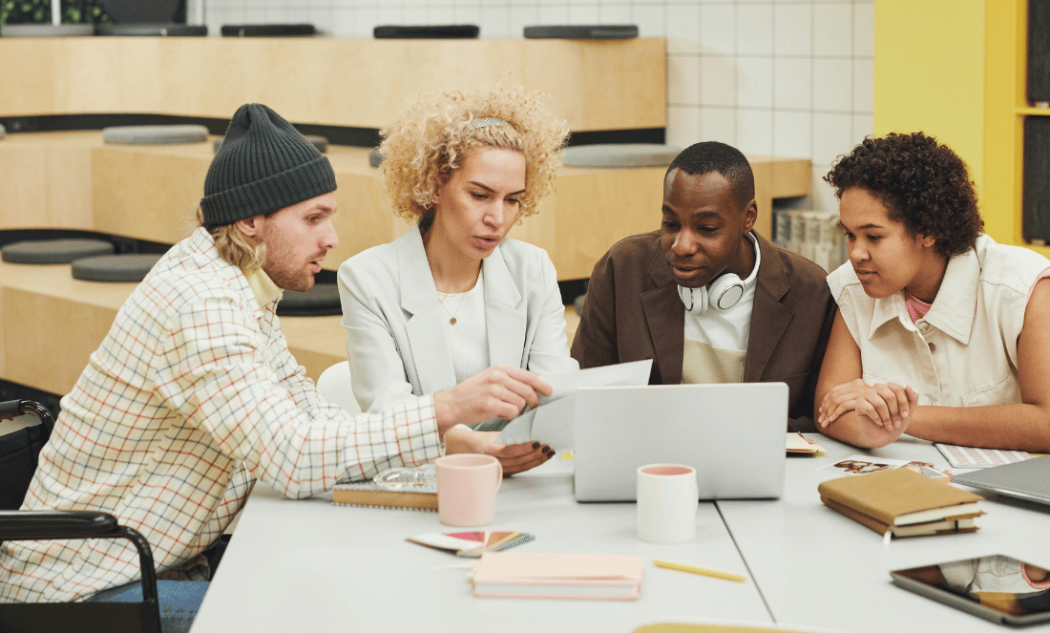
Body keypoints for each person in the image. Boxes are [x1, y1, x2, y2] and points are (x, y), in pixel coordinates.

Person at [0, 104, 552, 622]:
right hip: (83, 594)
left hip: (153, 566)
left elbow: (310, 420)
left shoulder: (242, 289)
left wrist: (454, 444)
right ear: (249, 223)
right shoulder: (202, 305)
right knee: (321, 614)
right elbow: (292, 458)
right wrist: (444, 410)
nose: (332, 238)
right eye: (313, 219)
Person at [337, 84, 577, 475]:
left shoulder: (533, 269)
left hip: (524, 480)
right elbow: (387, 416)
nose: (497, 218)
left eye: (513, 199)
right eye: (480, 195)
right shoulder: (367, 278)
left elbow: (556, 393)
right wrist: (470, 447)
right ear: (435, 185)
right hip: (425, 478)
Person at [571, 141, 836, 431]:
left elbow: (821, 420)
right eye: (671, 224)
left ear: (748, 217)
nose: (681, 246)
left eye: (706, 229)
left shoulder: (811, 292)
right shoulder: (621, 269)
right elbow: (583, 396)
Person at [814, 132, 1050, 451]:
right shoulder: (852, 285)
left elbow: (1046, 423)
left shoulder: (1022, 286)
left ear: (928, 231)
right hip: (896, 483)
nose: (855, 253)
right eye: (850, 235)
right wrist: (866, 429)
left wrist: (903, 417)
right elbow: (828, 410)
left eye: (873, 236)